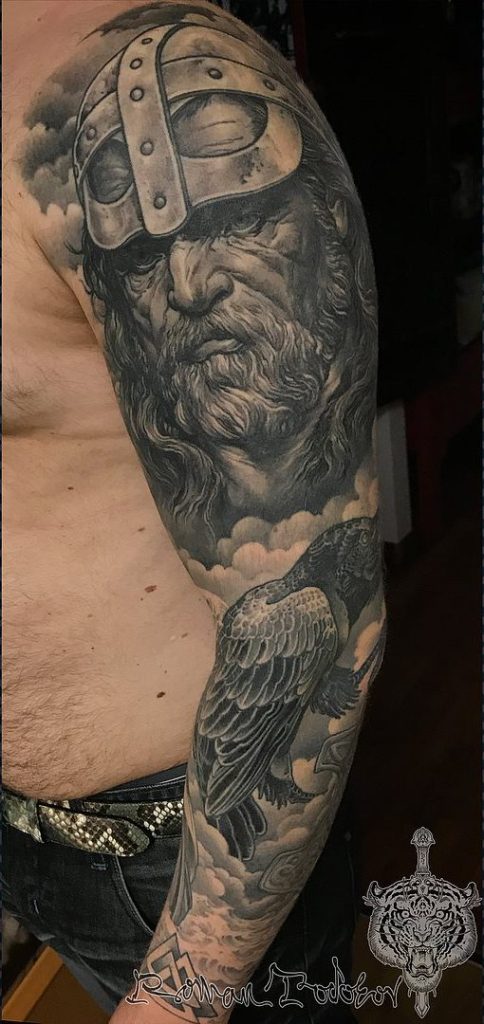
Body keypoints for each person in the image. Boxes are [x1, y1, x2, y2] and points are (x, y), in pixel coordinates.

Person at [3, 2, 385, 1022]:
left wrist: (180, 994)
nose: (185, 279)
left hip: (192, 865)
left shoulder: (170, 74)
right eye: (146, 261)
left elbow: (325, 630)